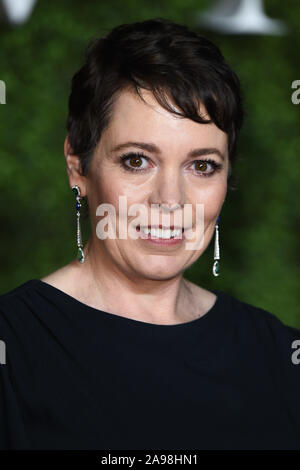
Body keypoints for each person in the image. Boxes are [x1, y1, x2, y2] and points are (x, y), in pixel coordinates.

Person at [0, 17, 300, 451]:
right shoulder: (14, 351)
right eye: (137, 160)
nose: (170, 200)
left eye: (202, 165)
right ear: (77, 166)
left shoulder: (279, 354)